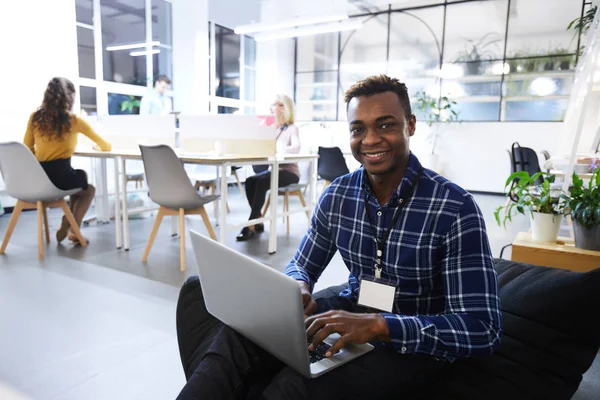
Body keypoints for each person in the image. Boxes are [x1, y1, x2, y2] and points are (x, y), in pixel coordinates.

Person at [175, 75, 502, 399]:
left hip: (414, 340)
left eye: (385, 125)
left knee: (293, 386)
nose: (370, 140)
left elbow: (481, 328)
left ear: (411, 125)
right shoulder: (339, 195)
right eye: (358, 129)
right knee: (238, 337)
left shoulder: (455, 208)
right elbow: (301, 265)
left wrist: (379, 325)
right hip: (354, 308)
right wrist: (298, 288)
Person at [23, 77, 112, 244]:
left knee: (78, 180)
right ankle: (72, 227)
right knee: (87, 188)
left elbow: (27, 149)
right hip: (61, 179)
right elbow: (105, 145)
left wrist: (43, 159)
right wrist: (97, 147)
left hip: (38, 180)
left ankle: (69, 222)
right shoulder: (73, 121)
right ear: (69, 98)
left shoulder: (35, 118)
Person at [236, 94, 301, 241]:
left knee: (262, 182)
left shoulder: (291, 128)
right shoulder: (271, 128)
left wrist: (280, 150)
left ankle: (250, 225)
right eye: (273, 104)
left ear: (286, 108)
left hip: (289, 172)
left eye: (279, 104)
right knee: (251, 181)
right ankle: (257, 218)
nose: (274, 108)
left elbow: (296, 148)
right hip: (273, 170)